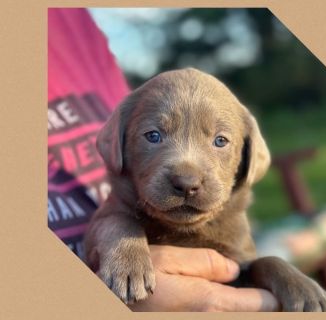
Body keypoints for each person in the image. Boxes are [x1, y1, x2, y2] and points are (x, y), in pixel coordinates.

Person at [48, 8, 278, 312]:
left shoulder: (70, 20)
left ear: (247, 157)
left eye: (220, 141)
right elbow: (112, 219)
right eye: (153, 136)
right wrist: (121, 241)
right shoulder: (125, 205)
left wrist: (275, 272)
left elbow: (246, 271)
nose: (186, 177)